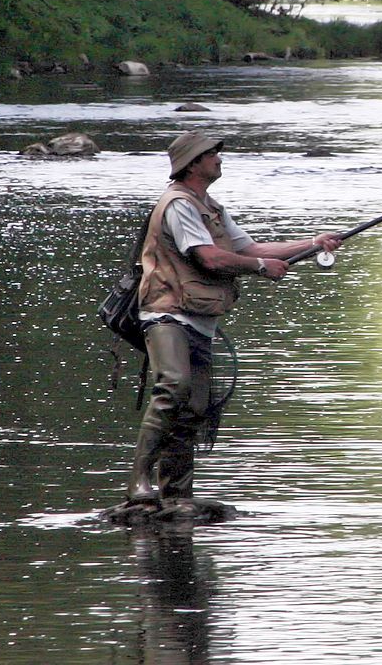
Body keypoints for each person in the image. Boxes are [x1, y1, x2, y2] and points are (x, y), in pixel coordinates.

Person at [124, 130, 343, 515]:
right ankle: (139, 481)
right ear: (192, 164)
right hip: (166, 313)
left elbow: (252, 248)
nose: (220, 159)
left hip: (199, 319)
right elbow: (210, 258)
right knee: (172, 386)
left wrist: (312, 244)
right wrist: (260, 268)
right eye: (212, 154)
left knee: (194, 407)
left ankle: (176, 495)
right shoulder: (178, 205)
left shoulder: (212, 207)